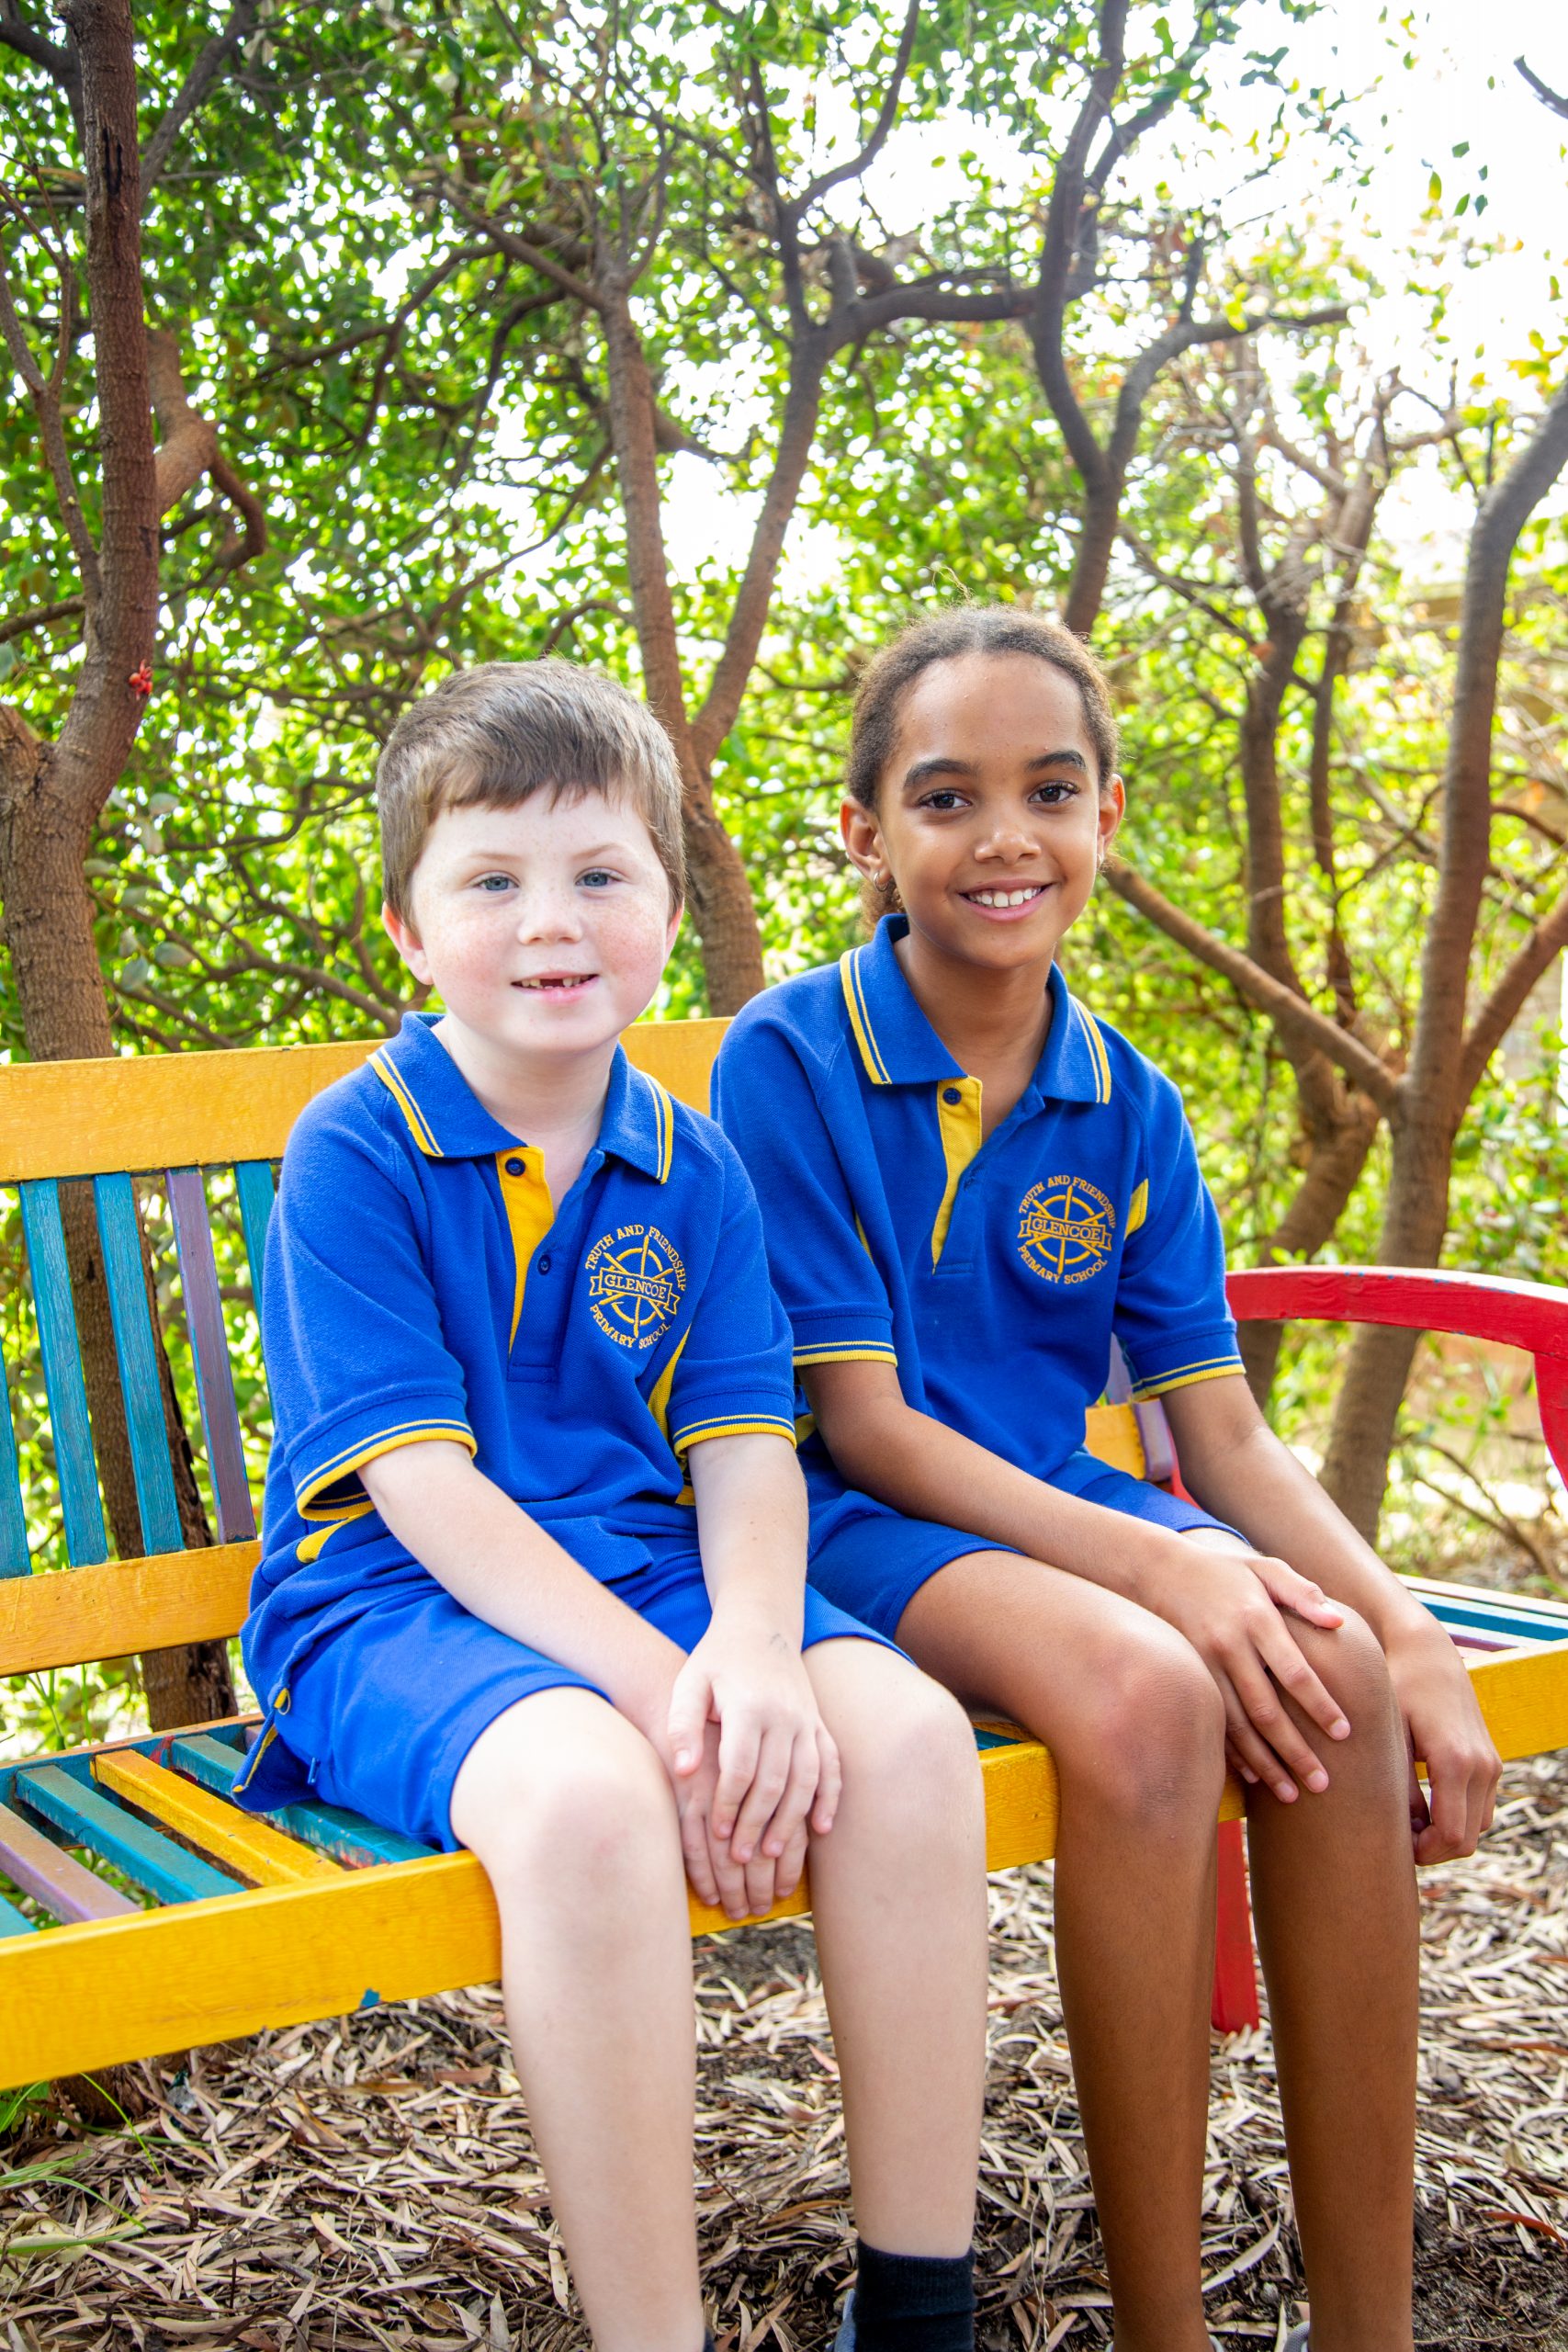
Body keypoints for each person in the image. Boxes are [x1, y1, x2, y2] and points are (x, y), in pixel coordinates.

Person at [714, 605, 1503, 2352]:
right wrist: (1165, 1572)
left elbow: (1219, 1441)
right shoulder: (788, 1058)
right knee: (1153, 1698)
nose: (1005, 836)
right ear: (867, 833)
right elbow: (866, 1428)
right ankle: (1170, 2331)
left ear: (1105, 818)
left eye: (1049, 791)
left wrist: (1413, 1632)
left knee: (1346, 1679)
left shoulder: (1125, 1105)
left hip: (1064, 1516)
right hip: (850, 1530)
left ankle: (1369, 2327)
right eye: (947, 797)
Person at [235, 661, 989, 2352]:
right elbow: (421, 1489)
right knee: (586, 1802)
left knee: (915, 1743)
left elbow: (742, 1454)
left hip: (655, 1576)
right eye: (490, 880)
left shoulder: (691, 1156)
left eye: (598, 874)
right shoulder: (354, 1147)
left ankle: (919, 2310)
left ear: (664, 904)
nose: (550, 921)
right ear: (411, 934)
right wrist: (680, 1700)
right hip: (388, 1605)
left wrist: (759, 1661)